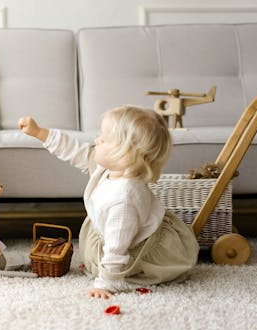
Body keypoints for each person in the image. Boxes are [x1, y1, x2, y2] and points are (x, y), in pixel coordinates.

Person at [18, 105, 199, 299]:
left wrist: (107, 282)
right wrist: (40, 133)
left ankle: (121, 274)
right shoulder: (112, 168)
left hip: (130, 246)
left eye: (103, 140)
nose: (96, 141)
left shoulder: (125, 198)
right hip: (115, 231)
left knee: (115, 246)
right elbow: (76, 152)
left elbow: (116, 246)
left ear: (124, 154)